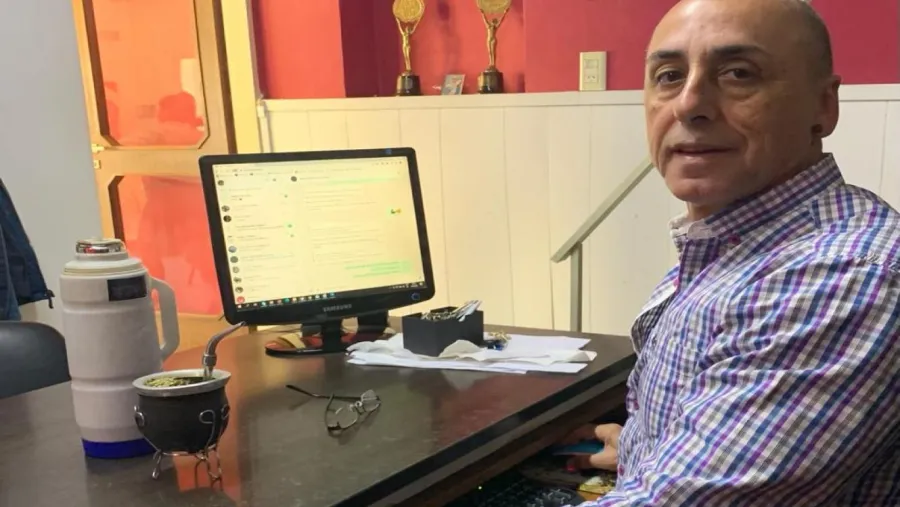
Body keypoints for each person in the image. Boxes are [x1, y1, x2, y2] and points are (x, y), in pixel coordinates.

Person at [565, 0, 900, 505]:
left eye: (739, 73)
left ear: (823, 107)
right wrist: (642, 445)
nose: (688, 104)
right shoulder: (732, 245)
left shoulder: (842, 275)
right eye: (669, 75)